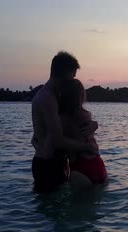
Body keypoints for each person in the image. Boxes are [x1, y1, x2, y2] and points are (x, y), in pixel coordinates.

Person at [31, 51, 98, 193]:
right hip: (48, 165)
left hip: (56, 163)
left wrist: (93, 125)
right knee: (53, 212)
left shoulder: (54, 97)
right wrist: (87, 147)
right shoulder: (47, 99)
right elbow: (57, 140)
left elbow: (69, 125)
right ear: (63, 73)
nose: (73, 80)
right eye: (72, 76)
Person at [56, 78, 107, 185]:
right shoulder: (86, 115)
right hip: (98, 163)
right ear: (81, 95)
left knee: (78, 201)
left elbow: (59, 142)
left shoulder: (62, 118)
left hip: (80, 166)